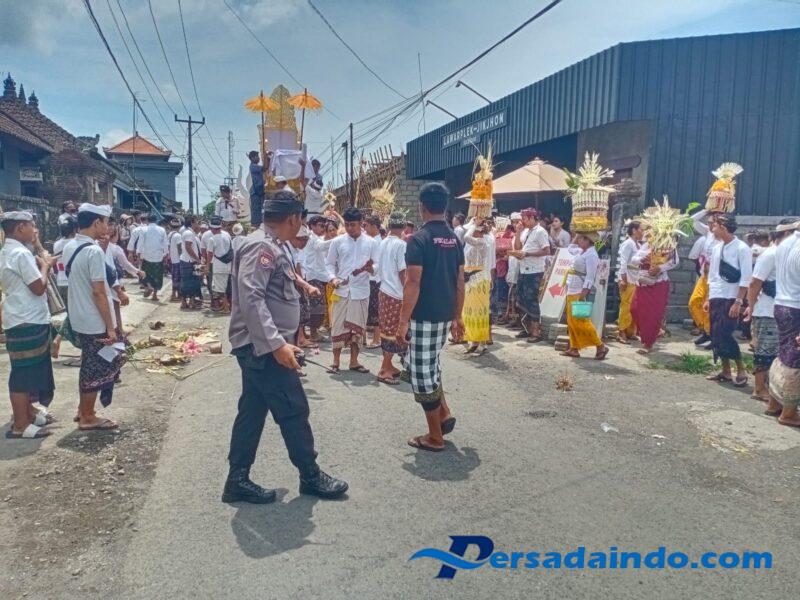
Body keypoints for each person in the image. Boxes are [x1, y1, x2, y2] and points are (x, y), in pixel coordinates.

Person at [223, 190, 348, 503]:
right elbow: (252, 298)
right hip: (263, 348)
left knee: (252, 411)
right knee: (293, 408)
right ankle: (310, 475)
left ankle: (237, 479)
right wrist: (277, 345)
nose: (302, 227)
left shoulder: (272, 244)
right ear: (293, 218)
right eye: (301, 221)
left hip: (263, 345)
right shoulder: (262, 247)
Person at [396, 182, 464, 452]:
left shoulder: (419, 239)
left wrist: (402, 322)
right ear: (445, 207)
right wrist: (458, 316)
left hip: (423, 316)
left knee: (422, 373)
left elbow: (412, 282)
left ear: (422, 207)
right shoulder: (454, 239)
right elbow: (460, 281)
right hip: (444, 314)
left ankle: (435, 436)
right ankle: (444, 412)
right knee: (428, 363)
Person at [63, 203, 123, 430]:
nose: (108, 227)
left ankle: (83, 410)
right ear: (96, 222)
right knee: (96, 366)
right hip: (94, 318)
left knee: (89, 362)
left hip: (79, 316)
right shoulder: (94, 251)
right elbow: (98, 292)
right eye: (106, 222)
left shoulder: (71, 246)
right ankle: (88, 416)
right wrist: (110, 327)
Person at [1, 211, 57, 439]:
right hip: (27, 318)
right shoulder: (20, 254)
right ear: (20, 227)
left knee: (27, 369)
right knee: (23, 374)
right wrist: (46, 266)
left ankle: (29, 413)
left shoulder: (8, 251)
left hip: (19, 316)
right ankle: (20, 424)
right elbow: (38, 287)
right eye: (31, 226)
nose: (35, 230)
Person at [325, 206, 379, 373]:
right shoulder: (337, 242)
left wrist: (371, 269)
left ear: (361, 223)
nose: (349, 228)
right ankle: (335, 361)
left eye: (352, 225)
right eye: (347, 224)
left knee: (357, 328)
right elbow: (329, 264)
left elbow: (378, 264)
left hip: (361, 291)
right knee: (337, 326)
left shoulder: (371, 243)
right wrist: (333, 278)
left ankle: (354, 361)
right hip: (341, 290)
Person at [744, 222, 794, 403]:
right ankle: (759, 388)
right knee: (765, 351)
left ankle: (772, 389)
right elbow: (754, 283)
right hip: (767, 311)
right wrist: (751, 307)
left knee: (778, 353)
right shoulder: (771, 254)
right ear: (787, 234)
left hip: (781, 311)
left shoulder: (787, 253)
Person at [704, 214, 752, 387]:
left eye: (715, 226)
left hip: (732, 297)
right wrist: (708, 297)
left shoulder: (742, 248)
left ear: (723, 228)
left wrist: (738, 301)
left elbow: (746, 277)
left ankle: (741, 369)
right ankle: (725, 370)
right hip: (717, 295)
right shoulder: (717, 248)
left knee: (726, 333)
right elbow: (712, 275)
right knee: (715, 333)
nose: (712, 229)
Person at [766, 219, 800, 427]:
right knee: (795, 360)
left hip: (781, 304)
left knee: (783, 354)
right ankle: (789, 413)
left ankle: (774, 403)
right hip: (796, 307)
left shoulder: (785, 243)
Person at [561, 232, 609, 360]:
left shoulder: (592, 254)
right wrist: (578, 234)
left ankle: (600, 345)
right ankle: (574, 348)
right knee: (571, 321)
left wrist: (584, 292)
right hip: (572, 288)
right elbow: (570, 248)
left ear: (588, 240)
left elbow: (590, 276)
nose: (579, 241)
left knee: (581, 321)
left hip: (579, 290)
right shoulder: (581, 251)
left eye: (582, 238)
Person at [629, 234, 679, 355]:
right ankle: (654, 332)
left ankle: (648, 343)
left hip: (659, 283)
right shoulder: (647, 244)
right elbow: (633, 259)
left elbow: (675, 261)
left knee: (653, 315)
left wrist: (660, 268)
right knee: (634, 308)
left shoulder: (668, 245)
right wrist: (643, 259)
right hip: (644, 281)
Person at [375, 212, 408, 385]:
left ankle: (389, 365)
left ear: (389, 226)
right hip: (396, 293)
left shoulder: (382, 242)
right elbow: (403, 273)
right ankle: (385, 368)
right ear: (404, 227)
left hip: (384, 290)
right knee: (393, 331)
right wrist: (410, 292)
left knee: (386, 329)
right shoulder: (401, 245)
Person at [510, 208, 550, 343]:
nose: (523, 222)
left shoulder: (540, 231)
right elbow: (517, 248)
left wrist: (528, 254)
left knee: (532, 300)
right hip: (523, 269)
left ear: (532, 218)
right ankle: (527, 328)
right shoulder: (526, 231)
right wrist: (518, 232)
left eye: (525, 219)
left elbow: (547, 250)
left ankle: (536, 332)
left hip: (535, 270)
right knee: (521, 298)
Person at [462, 217, 493, 355]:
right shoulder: (472, 244)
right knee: (470, 310)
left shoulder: (482, 242)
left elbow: (466, 237)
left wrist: (474, 224)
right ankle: (475, 340)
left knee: (479, 310)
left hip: (479, 279)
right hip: (470, 278)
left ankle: (480, 341)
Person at [688, 210, 719, 349]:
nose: (710, 225)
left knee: (711, 308)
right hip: (703, 275)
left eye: (712, 223)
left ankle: (712, 335)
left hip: (715, 278)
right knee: (694, 302)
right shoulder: (708, 232)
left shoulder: (723, 238)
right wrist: (707, 210)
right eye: (709, 223)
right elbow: (692, 220)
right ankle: (706, 330)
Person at [303, 215, 334, 342]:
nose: (323, 228)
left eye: (324, 226)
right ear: (312, 226)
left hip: (317, 275)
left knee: (318, 306)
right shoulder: (312, 238)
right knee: (316, 307)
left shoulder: (315, 238)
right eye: (321, 226)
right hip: (313, 276)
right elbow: (322, 246)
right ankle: (313, 334)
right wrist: (339, 239)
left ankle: (311, 333)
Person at [616, 220, 644, 344]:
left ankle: (631, 331)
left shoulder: (638, 245)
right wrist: (623, 279)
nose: (643, 232)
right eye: (641, 230)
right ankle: (621, 331)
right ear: (634, 230)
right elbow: (623, 261)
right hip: (627, 277)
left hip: (635, 278)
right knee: (626, 306)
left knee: (634, 307)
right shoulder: (628, 243)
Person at [363, 214, 383, 348]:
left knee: (375, 310)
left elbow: (377, 263)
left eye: (366, 226)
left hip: (375, 279)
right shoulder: (370, 240)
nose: (365, 228)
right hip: (368, 278)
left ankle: (376, 339)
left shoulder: (377, 242)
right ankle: (363, 338)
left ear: (374, 227)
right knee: (366, 309)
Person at [206, 216, 233, 313]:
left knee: (220, 290)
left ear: (212, 228)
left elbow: (209, 254)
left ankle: (226, 308)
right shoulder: (227, 236)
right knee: (226, 288)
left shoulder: (212, 239)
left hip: (218, 267)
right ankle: (227, 306)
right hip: (228, 266)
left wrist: (207, 266)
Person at [138, 213, 167, 302]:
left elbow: (140, 243)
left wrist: (138, 254)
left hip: (147, 256)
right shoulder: (162, 230)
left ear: (147, 220)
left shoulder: (144, 229)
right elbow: (165, 243)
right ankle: (154, 295)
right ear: (156, 220)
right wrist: (166, 254)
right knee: (157, 276)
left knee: (144, 273)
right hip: (158, 256)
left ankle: (149, 286)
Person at [53, 217, 78, 309]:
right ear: (75, 229)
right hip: (74, 283)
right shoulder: (76, 244)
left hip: (60, 281)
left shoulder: (56, 244)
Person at [179, 215, 203, 310]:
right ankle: (189, 302)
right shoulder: (189, 233)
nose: (197, 224)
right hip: (189, 261)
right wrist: (197, 259)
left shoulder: (188, 232)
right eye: (196, 222)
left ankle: (185, 301)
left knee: (187, 281)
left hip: (187, 260)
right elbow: (188, 247)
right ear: (192, 222)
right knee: (191, 281)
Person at [248, 150, 269, 226]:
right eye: (257, 156)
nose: (259, 158)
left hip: (260, 192)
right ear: (252, 158)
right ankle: (255, 226)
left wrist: (268, 158)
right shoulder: (253, 167)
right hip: (256, 193)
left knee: (261, 210)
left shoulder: (255, 166)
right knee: (256, 211)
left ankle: (259, 225)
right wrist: (266, 156)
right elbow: (265, 168)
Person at [167, 218, 183, 302]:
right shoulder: (178, 235)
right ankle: (178, 295)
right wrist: (182, 257)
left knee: (174, 278)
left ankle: (173, 294)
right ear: (179, 226)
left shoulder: (170, 234)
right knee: (178, 278)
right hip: (178, 259)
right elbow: (179, 248)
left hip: (173, 259)